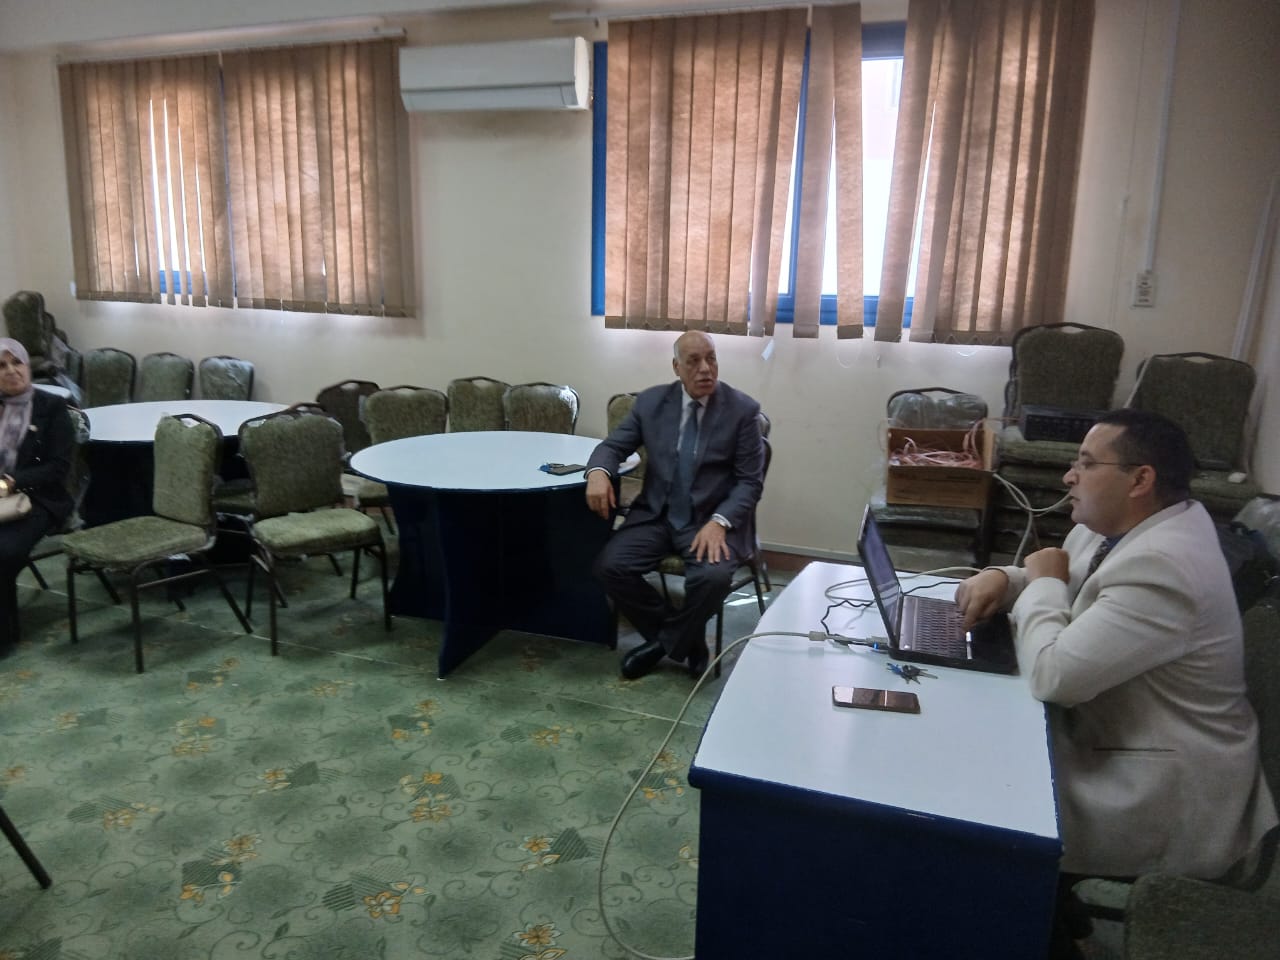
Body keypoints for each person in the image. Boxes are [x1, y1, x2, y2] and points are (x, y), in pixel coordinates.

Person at [956, 408, 1277, 953]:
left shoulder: (1167, 566)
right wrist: (1000, 577)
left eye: (1086, 464)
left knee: (978, 811)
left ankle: (1020, 924)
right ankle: (1046, 913)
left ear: (1140, 479)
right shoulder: (1119, 526)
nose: (1068, 476)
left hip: (1167, 786)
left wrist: (1040, 586)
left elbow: (1053, 675)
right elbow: (1062, 579)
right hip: (1119, 732)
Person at [586, 331, 764, 680]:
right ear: (676, 367)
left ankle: (660, 646)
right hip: (656, 515)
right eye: (693, 361)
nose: (705, 369)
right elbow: (612, 447)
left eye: (711, 358)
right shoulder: (651, 403)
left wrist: (720, 521)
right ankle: (688, 641)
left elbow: (750, 482)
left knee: (713, 578)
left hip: (709, 520)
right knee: (609, 567)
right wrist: (598, 472)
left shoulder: (742, 411)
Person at [1, 338, 74, 653]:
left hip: (39, 499)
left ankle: (3, 634)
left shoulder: (51, 407)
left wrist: (11, 482)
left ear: (27, 366)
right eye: (1, 366)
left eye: (16, 362)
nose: (11, 371)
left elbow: (59, 467)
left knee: (4, 552)